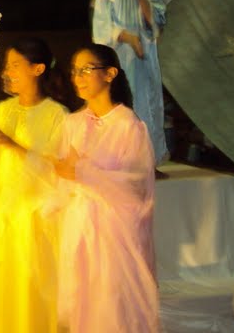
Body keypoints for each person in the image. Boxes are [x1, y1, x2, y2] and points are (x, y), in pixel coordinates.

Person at [49, 44, 159, 332]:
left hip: (114, 229)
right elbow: (62, 174)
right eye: (75, 71)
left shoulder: (127, 125)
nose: (78, 78)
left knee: (111, 299)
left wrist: (84, 173)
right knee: (82, 294)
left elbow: (136, 184)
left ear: (110, 74)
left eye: (86, 70)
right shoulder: (72, 123)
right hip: (78, 222)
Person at [0, 37, 69, 333]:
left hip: (39, 223)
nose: (8, 72)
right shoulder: (2, 110)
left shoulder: (58, 115)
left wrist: (12, 144)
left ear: (37, 69)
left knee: (38, 293)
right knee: (8, 292)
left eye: (14, 65)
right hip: (6, 219)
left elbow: (57, 172)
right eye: (6, 66)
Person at [92, 0, 169, 166]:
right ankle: (118, 159)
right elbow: (101, 31)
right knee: (120, 104)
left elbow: (156, 25)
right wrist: (125, 36)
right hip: (118, 61)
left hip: (143, 62)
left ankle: (147, 161)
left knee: (145, 105)